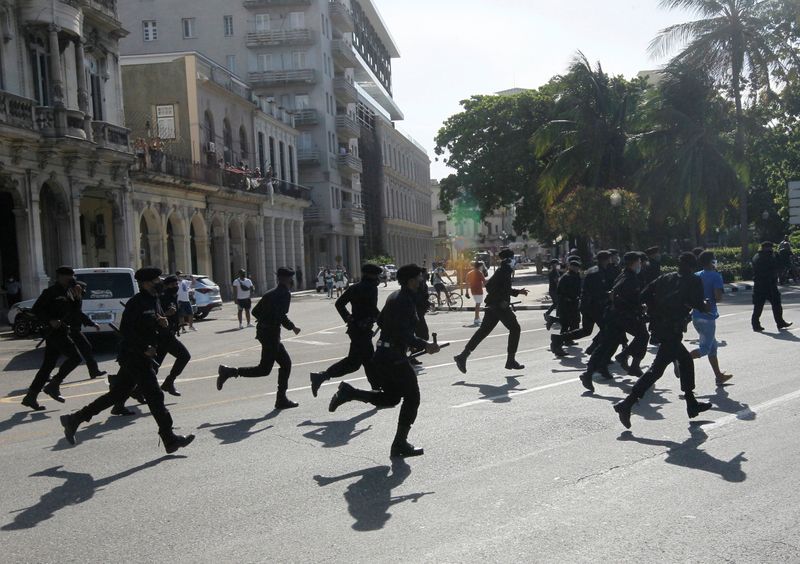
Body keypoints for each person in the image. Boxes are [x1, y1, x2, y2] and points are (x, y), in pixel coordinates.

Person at [59, 267, 195, 453]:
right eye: (155, 280)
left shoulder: (153, 299)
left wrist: (161, 322)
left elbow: (152, 323)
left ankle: (74, 419)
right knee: (155, 396)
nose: (159, 282)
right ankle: (169, 439)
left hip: (142, 356)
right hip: (133, 356)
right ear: (145, 283)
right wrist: (144, 348)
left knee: (116, 395)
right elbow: (127, 333)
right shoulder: (135, 303)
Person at [327, 264, 441, 458]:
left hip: (384, 353)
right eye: (420, 278)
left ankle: (350, 392)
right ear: (412, 280)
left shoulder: (395, 296)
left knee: (392, 398)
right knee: (412, 397)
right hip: (393, 356)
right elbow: (403, 333)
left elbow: (382, 322)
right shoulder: (404, 300)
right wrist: (425, 345)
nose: (422, 281)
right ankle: (400, 444)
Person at [612, 253, 713, 428]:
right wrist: (706, 305)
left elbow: (643, 295)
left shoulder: (666, 278)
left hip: (659, 327)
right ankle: (627, 404)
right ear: (693, 266)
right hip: (672, 330)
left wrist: (655, 309)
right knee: (656, 370)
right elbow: (697, 304)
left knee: (686, 361)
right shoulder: (693, 281)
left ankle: (691, 403)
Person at [216, 267, 302, 410]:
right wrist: (292, 327)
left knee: (286, 363)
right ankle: (230, 372)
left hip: (264, 332)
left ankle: (281, 399)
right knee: (264, 370)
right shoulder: (284, 293)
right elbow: (281, 315)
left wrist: (266, 319)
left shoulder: (270, 293)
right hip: (271, 334)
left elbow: (255, 312)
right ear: (286, 279)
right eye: (290, 278)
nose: (291, 281)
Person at [578, 252, 649, 389]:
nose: (640, 265)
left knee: (607, 343)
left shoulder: (623, 274)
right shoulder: (630, 278)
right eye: (639, 262)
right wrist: (641, 308)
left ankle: (588, 374)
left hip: (613, 314)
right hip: (622, 315)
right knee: (643, 335)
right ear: (634, 263)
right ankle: (626, 357)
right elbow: (628, 299)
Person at [310, 263, 382, 396]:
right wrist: (382, 319)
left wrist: (348, 317)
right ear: (371, 275)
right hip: (362, 330)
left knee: (361, 362)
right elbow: (372, 308)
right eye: (376, 275)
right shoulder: (371, 288)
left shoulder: (355, 287)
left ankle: (376, 388)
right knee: (362, 361)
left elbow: (339, 303)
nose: (378, 278)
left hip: (356, 329)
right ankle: (321, 376)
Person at [453, 249, 529, 373]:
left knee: (483, 331)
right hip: (499, 306)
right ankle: (511, 360)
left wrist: (517, 292)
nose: (514, 261)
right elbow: (490, 287)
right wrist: (500, 300)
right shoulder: (503, 271)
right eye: (513, 258)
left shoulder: (503, 271)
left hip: (493, 305)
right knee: (515, 328)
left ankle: (463, 356)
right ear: (509, 260)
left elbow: (500, 288)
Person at [20, 266, 85, 410]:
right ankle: (53, 385)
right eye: (68, 276)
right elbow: (36, 310)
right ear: (60, 277)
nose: (71, 279)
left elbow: (75, 312)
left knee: (48, 365)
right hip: (52, 331)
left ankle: (31, 396)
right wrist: (50, 320)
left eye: (72, 276)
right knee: (75, 358)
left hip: (62, 330)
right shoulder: (50, 292)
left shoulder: (70, 291)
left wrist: (78, 297)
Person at [551, 251, 611, 357]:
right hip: (592, 306)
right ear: (605, 260)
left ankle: (559, 339)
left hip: (589, 305)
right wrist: (608, 294)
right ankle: (596, 351)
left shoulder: (597, 271)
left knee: (586, 331)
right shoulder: (596, 272)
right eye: (609, 259)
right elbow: (595, 291)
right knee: (607, 329)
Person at [690, 251, 733, 385]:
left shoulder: (696, 275)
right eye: (714, 259)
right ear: (711, 262)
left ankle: (719, 376)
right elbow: (718, 298)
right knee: (705, 349)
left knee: (713, 347)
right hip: (707, 317)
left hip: (696, 316)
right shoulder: (716, 276)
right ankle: (681, 359)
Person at [65, 281, 106, 380]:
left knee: (86, 348)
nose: (84, 291)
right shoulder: (72, 299)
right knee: (75, 356)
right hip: (69, 329)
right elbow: (78, 314)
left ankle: (94, 371)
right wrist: (92, 323)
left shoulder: (75, 298)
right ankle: (55, 379)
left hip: (74, 329)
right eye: (82, 289)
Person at [751, 241, 792, 332]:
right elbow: (774, 267)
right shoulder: (765, 257)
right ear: (765, 248)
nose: (771, 249)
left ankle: (778, 322)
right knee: (760, 306)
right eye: (770, 248)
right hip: (766, 285)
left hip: (763, 285)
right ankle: (756, 324)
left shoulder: (757, 256)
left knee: (773, 304)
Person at [555, 258, 582, 337]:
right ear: (571, 267)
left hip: (574, 302)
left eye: (578, 267)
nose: (577, 269)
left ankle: (568, 338)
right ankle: (562, 339)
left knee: (575, 322)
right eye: (575, 267)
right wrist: (567, 298)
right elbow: (560, 291)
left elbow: (578, 289)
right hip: (566, 303)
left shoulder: (577, 276)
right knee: (566, 323)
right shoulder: (566, 277)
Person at [466, 261, 486, 327]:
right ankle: (476, 318)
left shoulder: (469, 273)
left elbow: (467, 283)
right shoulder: (480, 273)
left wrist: (466, 292)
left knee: (477, 304)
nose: (482, 267)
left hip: (473, 291)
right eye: (482, 266)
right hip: (479, 290)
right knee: (478, 304)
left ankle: (477, 318)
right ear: (479, 266)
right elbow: (485, 282)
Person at [544, 259, 561, 330]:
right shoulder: (554, 272)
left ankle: (547, 314)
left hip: (552, 290)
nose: (558, 265)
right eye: (557, 264)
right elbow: (556, 281)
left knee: (555, 303)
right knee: (557, 303)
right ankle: (557, 317)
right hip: (554, 290)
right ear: (554, 264)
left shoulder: (554, 271)